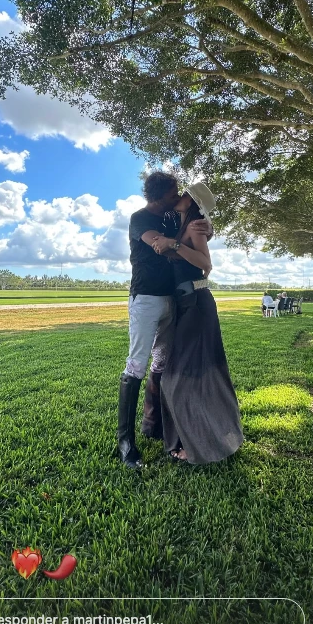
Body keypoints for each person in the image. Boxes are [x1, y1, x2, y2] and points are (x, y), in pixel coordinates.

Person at [118, 171, 211, 469]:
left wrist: (207, 229)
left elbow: (189, 231)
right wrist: (169, 242)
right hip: (145, 299)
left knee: (163, 364)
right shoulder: (139, 218)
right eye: (173, 194)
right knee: (136, 365)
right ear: (157, 197)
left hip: (173, 299)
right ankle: (125, 443)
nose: (177, 197)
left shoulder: (172, 217)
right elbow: (155, 242)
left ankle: (155, 425)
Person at [151, 183, 244, 464]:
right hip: (185, 306)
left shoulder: (194, 227)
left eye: (184, 194)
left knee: (183, 378)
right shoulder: (182, 224)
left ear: (192, 201)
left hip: (197, 304)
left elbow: (206, 264)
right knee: (191, 375)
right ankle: (206, 435)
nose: (178, 197)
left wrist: (175, 245)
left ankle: (198, 446)